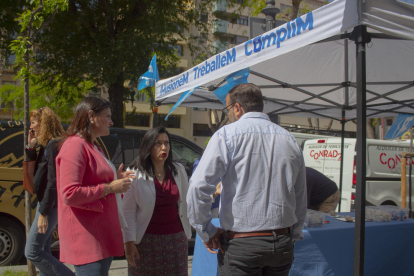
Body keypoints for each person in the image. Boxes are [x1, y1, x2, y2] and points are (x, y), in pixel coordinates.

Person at [187, 83, 307, 275]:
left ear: (237, 108)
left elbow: (198, 186)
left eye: (227, 109)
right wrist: (293, 235)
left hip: (241, 246)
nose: (228, 115)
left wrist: (206, 229)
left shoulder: (227, 135)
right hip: (281, 244)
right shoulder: (289, 139)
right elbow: (300, 196)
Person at [56, 97, 134, 276]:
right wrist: (109, 187)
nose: (111, 121)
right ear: (91, 116)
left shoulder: (92, 145)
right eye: (107, 116)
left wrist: (116, 178)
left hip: (99, 236)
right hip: (88, 239)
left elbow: (94, 177)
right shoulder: (75, 146)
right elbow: (69, 193)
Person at [122, 126, 192, 276]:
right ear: (148, 146)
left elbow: (187, 201)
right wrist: (128, 242)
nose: (163, 147)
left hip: (176, 240)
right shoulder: (135, 173)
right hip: (146, 242)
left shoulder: (178, 170)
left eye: (166, 143)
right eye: (158, 143)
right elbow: (128, 210)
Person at [24, 107, 75, 276]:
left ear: (43, 123)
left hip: (49, 205)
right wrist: (31, 148)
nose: (31, 127)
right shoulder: (48, 145)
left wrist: (44, 213)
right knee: (44, 250)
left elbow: (53, 181)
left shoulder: (53, 145)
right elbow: (34, 176)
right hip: (47, 203)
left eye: (33, 122)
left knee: (32, 251)